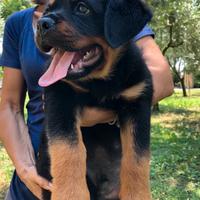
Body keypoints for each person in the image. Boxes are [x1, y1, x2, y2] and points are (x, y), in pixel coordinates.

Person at [0, 0, 174, 199]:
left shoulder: (117, 11)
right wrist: (25, 170)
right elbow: (9, 105)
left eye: (82, 9)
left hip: (111, 180)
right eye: (49, 12)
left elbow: (161, 81)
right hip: (42, 178)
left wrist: (136, 185)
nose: (47, 21)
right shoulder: (18, 24)